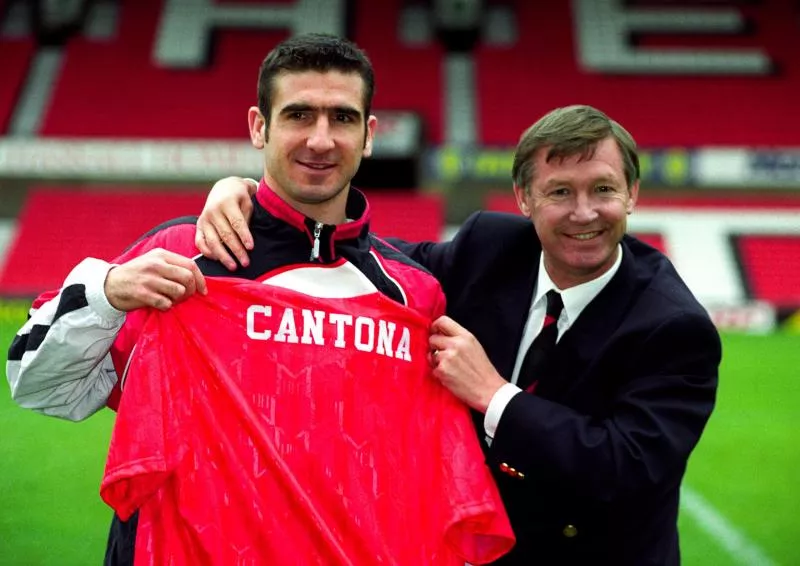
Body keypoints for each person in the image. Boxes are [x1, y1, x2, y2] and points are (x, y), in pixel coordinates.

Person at [6, 33, 514, 565]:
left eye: (341, 118)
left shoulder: (412, 293)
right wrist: (107, 295)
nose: (320, 140)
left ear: (368, 135)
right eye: (299, 115)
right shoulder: (186, 257)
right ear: (258, 126)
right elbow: (38, 384)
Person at [193, 104, 722, 565]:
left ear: (630, 193)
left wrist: (494, 397)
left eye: (603, 189)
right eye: (559, 191)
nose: (584, 213)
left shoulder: (672, 326)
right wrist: (249, 196)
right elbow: (361, 260)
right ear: (523, 198)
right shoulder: (487, 248)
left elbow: (623, 467)